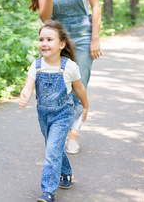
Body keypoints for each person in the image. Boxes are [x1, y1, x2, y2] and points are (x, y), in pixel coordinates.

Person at [29, 0, 102, 154]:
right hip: (58, 39)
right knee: (61, 86)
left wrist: (95, 38)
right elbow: (45, 18)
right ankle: (60, 128)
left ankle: (72, 134)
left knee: (79, 86)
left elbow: (96, 5)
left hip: (83, 35)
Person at [19, 20, 89, 202]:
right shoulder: (36, 65)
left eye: (50, 39)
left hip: (62, 114)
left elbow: (79, 89)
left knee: (51, 150)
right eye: (41, 39)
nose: (44, 43)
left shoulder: (69, 67)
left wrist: (86, 106)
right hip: (43, 114)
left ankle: (48, 192)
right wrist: (24, 96)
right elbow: (28, 86)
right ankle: (65, 172)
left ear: (61, 44)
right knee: (54, 146)